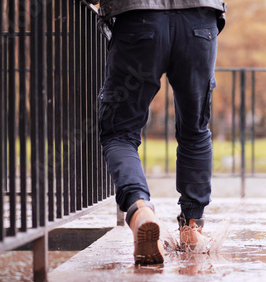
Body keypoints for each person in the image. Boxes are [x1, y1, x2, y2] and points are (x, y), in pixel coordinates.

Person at [90, 0, 227, 265]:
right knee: (195, 130)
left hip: (138, 18)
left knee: (120, 132)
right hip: (199, 20)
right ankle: (192, 229)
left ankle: (139, 209)